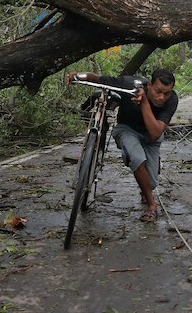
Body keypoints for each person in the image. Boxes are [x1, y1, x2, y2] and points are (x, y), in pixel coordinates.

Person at [65, 69, 178, 221]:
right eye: (158, 91)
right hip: (127, 130)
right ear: (149, 85)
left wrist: (144, 102)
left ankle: (147, 184)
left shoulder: (172, 100)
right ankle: (152, 205)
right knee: (137, 157)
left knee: (149, 184)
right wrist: (78, 76)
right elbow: (98, 79)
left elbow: (155, 133)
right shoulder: (128, 85)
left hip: (151, 138)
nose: (161, 97)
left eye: (167, 93)